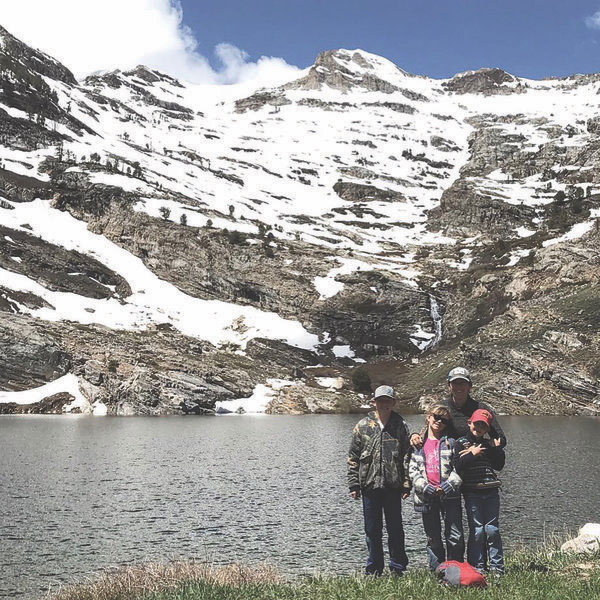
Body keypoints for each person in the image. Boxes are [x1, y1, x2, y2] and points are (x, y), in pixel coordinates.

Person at [347, 385, 412, 576]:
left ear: (393, 403)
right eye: (380, 400)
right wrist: (354, 483)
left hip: (393, 486)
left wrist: (406, 483)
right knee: (372, 530)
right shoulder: (362, 425)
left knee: (396, 529)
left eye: (388, 401)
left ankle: (397, 567)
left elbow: (407, 457)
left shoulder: (401, 426)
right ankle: (374, 569)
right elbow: (353, 456)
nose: (384, 404)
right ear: (374, 402)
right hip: (369, 485)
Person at [408, 404, 463, 571]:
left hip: (450, 496)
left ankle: (455, 572)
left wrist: (447, 486)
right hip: (427, 497)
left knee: (455, 536)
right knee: (433, 537)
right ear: (428, 417)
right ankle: (437, 572)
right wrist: (426, 488)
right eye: (436, 417)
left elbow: (459, 469)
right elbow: (412, 471)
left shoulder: (451, 443)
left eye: (444, 420)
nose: (439, 421)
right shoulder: (418, 444)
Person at [455, 408, 506, 575]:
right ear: (469, 423)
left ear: (487, 429)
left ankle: (497, 567)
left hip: (491, 491)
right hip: (472, 492)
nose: (478, 427)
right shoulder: (460, 443)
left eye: (483, 426)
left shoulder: (488, 444)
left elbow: (498, 465)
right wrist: (472, 454)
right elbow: (458, 466)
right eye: (476, 423)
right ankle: (477, 566)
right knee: (477, 530)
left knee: (492, 530)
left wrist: (497, 448)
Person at [410, 367, 507, 449]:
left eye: (462, 383)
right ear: (449, 386)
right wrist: (414, 435)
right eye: (455, 383)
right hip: (446, 458)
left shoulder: (481, 409)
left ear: (470, 386)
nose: (459, 387)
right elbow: (427, 431)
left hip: (473, 458)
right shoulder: (441, 407)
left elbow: (500, 439)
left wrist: (481, 446)